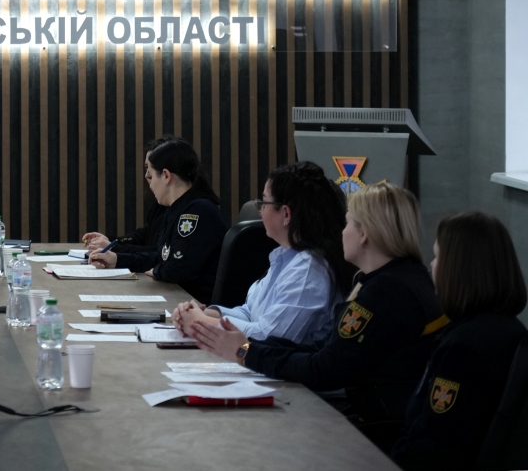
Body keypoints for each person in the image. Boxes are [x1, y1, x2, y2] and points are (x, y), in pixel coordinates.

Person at [187, 181, 447, 442]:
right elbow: (326, 349)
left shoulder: (385, 292)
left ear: (364, 234)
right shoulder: (402, 278)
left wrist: (246, 351)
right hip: (381, 415)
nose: (342, 232)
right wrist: (249, 348)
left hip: (376, 429)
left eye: (348, 223)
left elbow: (325, 369)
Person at [392, 212, 528, 470]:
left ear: (458, 269)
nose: (431, 265)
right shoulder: (509, 330)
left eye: (437, 256)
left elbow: (434, 446)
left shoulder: (464, 349)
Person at [171, 162, 352, 344]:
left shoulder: (308, 270)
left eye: (264, 203)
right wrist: (209, 313)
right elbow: (250, 313)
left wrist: (202, 323)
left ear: (286, 214)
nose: (260, 211)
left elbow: (269, 338)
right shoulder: (285, 256)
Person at [88, 139, 227, 303]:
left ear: (166, 176)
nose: (150, 183)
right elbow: (162, 256)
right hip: (178, 298)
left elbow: (177, 268)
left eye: (152, 175)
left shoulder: (196, 211)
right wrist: (117, 260)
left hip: (196, 304)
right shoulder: (176, 208)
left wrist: (156, 271)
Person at [80, 135, 176, 254]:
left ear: (166, 175)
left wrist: (114, 248)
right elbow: (143, 236)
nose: (147, 175)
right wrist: (111, 241)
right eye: (146, 168)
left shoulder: (190, 210)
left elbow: (161, 254)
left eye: (150, 169)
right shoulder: (160, 206)